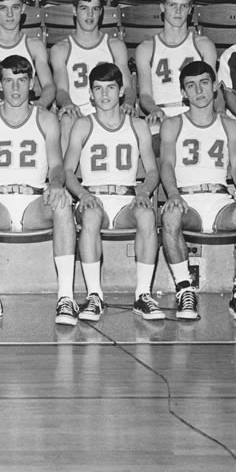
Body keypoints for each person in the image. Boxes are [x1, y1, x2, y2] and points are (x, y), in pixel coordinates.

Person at [0, 55, 77, 326]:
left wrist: (55, 183)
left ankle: (66, 297)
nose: (15, 88)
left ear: (31, 84)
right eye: (8, 81)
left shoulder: (46, 119)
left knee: (62, 203)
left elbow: (57, 166)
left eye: (21, 81)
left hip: (33, 201)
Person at [159, 61, 236, 321]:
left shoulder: (230, 125)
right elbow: (166, 164)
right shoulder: (173, 124)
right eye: (191, 85)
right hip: (188, 201)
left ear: (214, 88)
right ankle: (185, 289)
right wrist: (173, 194)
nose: (199, 90)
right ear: (183, 92)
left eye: (204, 83)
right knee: (170, 216)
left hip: (220, 201)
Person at [63, 63, 160, 321]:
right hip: (94, 196)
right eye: (98, 89)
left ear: (121, 92)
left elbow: (152, 171)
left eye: (110, 88)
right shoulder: (83, 125)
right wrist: (82, 194)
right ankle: (95, 295)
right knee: (92, 216)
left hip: (127, 197)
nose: (104, 94)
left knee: (147, 215)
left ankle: (143, 295)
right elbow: (68, 172)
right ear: (91, 95)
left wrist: (144, 190)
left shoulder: (137, 125)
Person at [49, 0, 136, 150]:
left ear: (101, 12)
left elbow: (128, 88)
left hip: (109, 111)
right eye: (84, 8)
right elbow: (61, 91)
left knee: (126, 116)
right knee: (67, 118)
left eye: (95, 9)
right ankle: (68, 174)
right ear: (75, 11)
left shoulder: (115, 46)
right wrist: (67, 104)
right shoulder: (61, 49)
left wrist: (129, 103)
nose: (90, 15)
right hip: (78, 113)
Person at [135, 0, 217, 151]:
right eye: (172, 5)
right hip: (161, 116)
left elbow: (210, 91)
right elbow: (144, 95)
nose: (178, 12)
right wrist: (155, 110)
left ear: (190, 9)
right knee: (153, 141)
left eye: (184, 6)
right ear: (162, 7)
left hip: (195, 113)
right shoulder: (146, 48)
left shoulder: (203, 45)